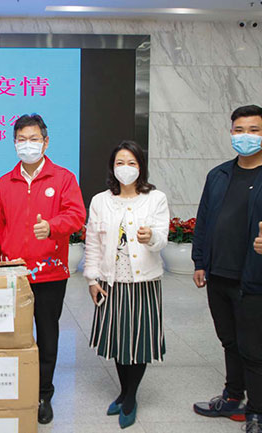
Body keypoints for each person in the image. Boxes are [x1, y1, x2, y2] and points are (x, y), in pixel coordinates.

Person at [191, 105, 262, 433]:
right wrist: (200, 262)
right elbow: (204, 222)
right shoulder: (218, 175)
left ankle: (256, 413)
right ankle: (231, 397)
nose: (246, 136)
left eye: (253, 130)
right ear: (230, 133)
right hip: (218, 275)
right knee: (229, 341)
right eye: (239, 130)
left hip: (256, 279)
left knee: (252, 347)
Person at [0, 114, 86, 424]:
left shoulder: (63, 178)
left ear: (45, 142)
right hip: (12, 273)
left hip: (50, 273)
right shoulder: (5, 182)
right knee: (12, 334)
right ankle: (13, 388)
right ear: (14, 143)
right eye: (21, 139)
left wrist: (53, 226)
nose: (27, 145)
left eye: (33, 139)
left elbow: (77, 216)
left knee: (47, 333)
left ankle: (43, 393)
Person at [84, 141, 169, 429]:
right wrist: (92, 279)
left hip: (143, 282)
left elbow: (162, 238)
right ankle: (123, 391)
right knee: (119, 341)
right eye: (120, 162)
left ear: (141, 167)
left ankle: (130, 397)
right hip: (111, 281)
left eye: (132, 162)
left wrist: (150, 238)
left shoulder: (155, 199)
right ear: (112, 167)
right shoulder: (100, 200)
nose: (126, 168)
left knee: (139, 341)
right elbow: (92, 243)